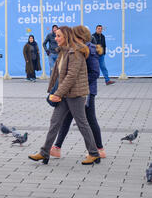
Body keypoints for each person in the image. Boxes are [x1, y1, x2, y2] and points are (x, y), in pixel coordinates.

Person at [28, 26, 101, 166]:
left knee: (82, 123)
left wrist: (57, 93)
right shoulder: (64, 52)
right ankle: (44, 152)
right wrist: (53, 91)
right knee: (55, 122)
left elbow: (71, 76)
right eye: (55, 36)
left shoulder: (75, 53)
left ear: (67, 37)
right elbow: (58, 75)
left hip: (75, 94)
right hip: (64, 94)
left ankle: (94, 153)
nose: (55, 39)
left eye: (58, 36)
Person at [50, 25, 106, 159]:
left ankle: (99, 149)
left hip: (86, 92)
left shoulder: (89, 50)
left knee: (89, 119)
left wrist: (81, 84)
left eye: (74, 35)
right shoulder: (76, 49)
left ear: (79, 36)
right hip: (74, 91)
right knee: (67, 118)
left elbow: (95, 72)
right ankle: (56, 147)